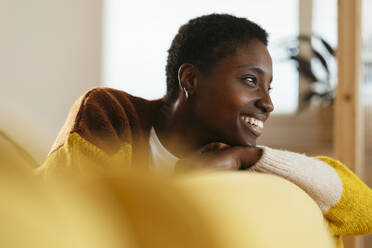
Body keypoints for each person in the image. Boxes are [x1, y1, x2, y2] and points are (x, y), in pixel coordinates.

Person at [39, 14, 372, 237]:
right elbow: (74, 219)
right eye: (250, 80)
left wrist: (248, 159)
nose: (268, 103)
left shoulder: (227, 154)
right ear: (191, 79)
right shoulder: (112, 112)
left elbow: (363, 209)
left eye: (269, 87)